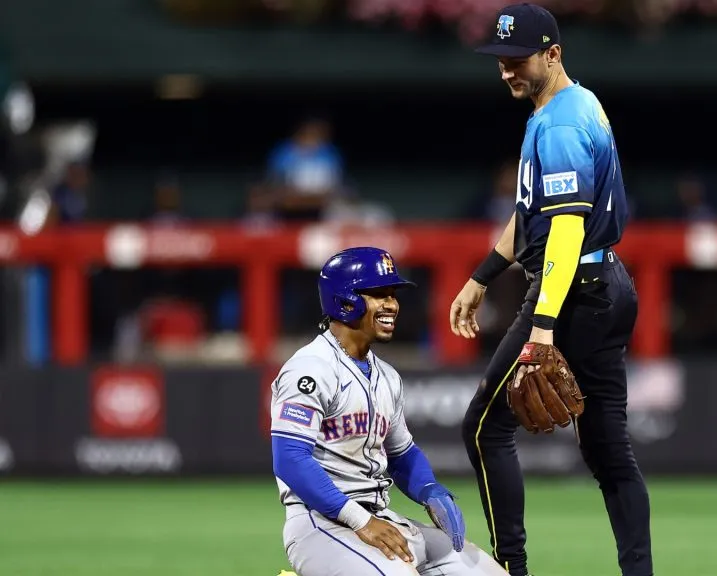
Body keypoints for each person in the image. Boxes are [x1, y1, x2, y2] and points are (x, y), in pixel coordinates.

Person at [449, 4, 654, 576]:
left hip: (573, 291)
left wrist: (542, 327)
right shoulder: (572, 104)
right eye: (500, 60)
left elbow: (564, 227)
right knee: (611, 453)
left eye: (519, 59)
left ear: (553, 54)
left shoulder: (560, 123)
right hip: (608, 283)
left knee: (485, 428)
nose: (507, 70)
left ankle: (510, 569)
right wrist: (481, 276)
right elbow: (532, 214)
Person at [270, 246, 507, 576]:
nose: (391, 305)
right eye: (378, 294)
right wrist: (360, 520)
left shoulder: (386, 376)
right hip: (320, 525)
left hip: (381, 518)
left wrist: (429, 491)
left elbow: (402, 453)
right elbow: (290, 459)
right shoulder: (310, 369)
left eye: (392, 295)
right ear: (344, 300)